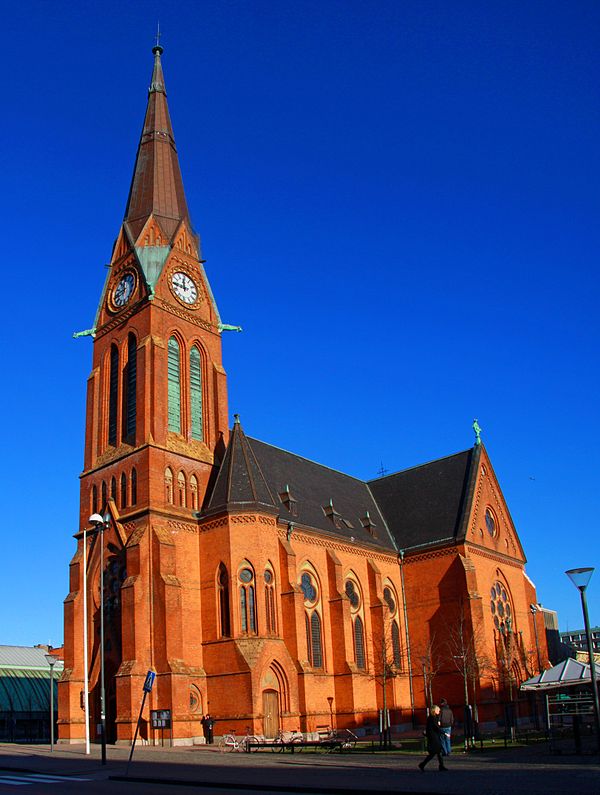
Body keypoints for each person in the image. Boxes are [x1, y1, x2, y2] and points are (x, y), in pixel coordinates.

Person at [418, 705, 448, 772]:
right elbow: (436, 728)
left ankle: (441, 766)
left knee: (438, 752)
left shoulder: (433, 718)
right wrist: (444, 733)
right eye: (438, 710)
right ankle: (423, 764)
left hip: (434, 736)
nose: (439, 711)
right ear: (434, 711)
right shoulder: (432, 718)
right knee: (434, 752)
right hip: (433, 737)